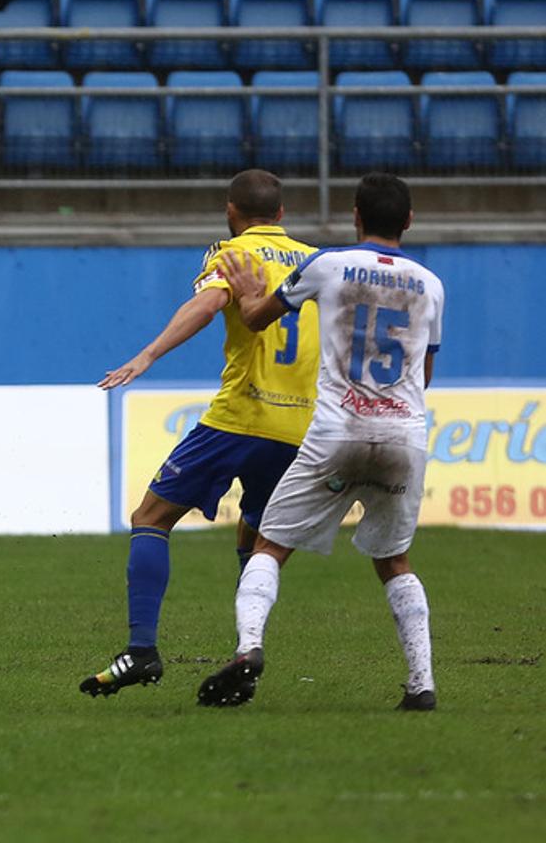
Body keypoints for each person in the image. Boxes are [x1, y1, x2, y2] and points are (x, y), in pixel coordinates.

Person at [199, 173, 444, 711]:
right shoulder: (430, 284)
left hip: (336, 430)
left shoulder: (327, 265)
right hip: (404, 433)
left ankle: (249, 648)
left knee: (269, 546)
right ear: (408, 221)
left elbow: (258, 319)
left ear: (355, 215)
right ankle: (421, 683)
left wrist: (250, 293)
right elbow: (423, 373)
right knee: (395, 561)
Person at [79, 169, 320, 699]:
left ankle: (142, 651)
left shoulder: (231, 253)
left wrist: (145, 356)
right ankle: (245, 650)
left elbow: (208, 305)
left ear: (231, 211)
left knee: (151, 517)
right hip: (301, 426)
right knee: (256, 540)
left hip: (241, 415)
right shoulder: (317, 262)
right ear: (281, 214)